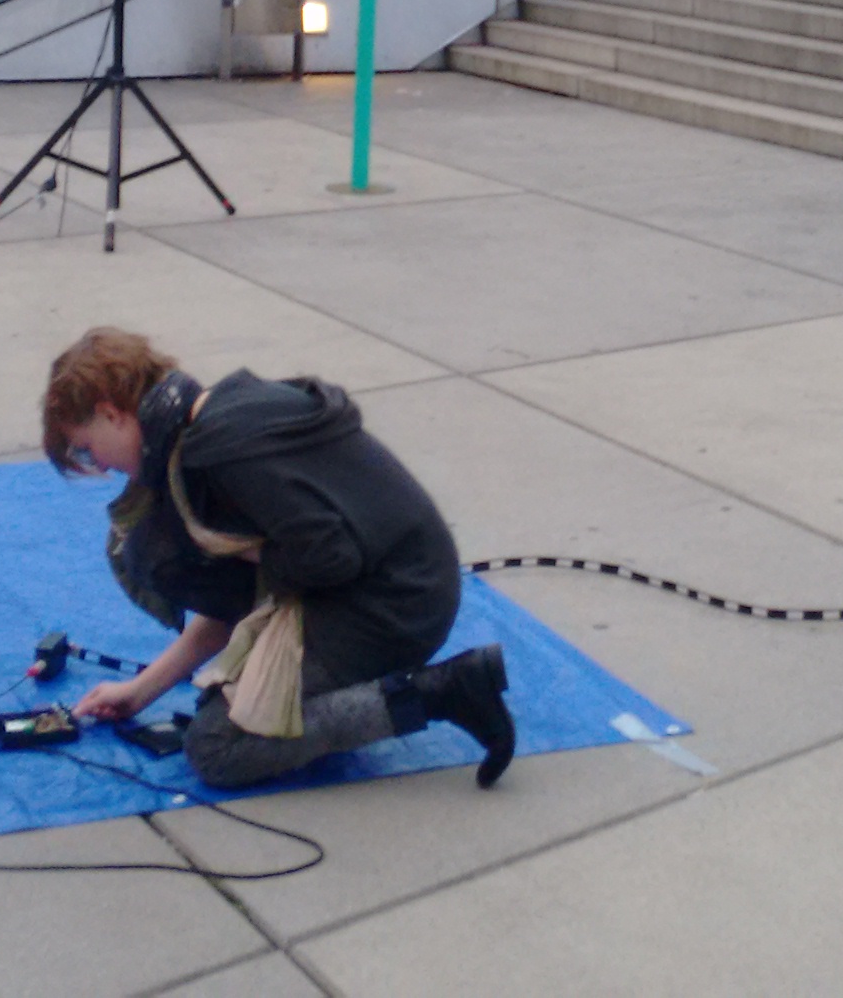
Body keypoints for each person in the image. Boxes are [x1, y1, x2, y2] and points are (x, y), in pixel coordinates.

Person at [44, 328, 516, 791]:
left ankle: (443, 693)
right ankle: (358, 691)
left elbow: (329, 557)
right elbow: (246, 601)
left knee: (217, 746)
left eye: (89, 448)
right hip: (400, 582)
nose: (101, 467)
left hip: (396, 607)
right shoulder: (215, 414)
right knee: (227, 696)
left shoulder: (221, 450)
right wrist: (142, 690)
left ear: (112, 413)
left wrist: (251, 555)